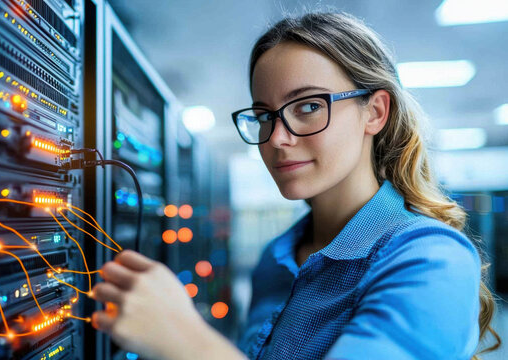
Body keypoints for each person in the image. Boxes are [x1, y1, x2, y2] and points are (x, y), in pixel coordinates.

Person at [87, 11, 501, 360]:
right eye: (265, 115)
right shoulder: (276, 258)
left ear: (375, 112)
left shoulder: (430, 258)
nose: (277, 138)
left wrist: (186, 340)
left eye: (307, 106)